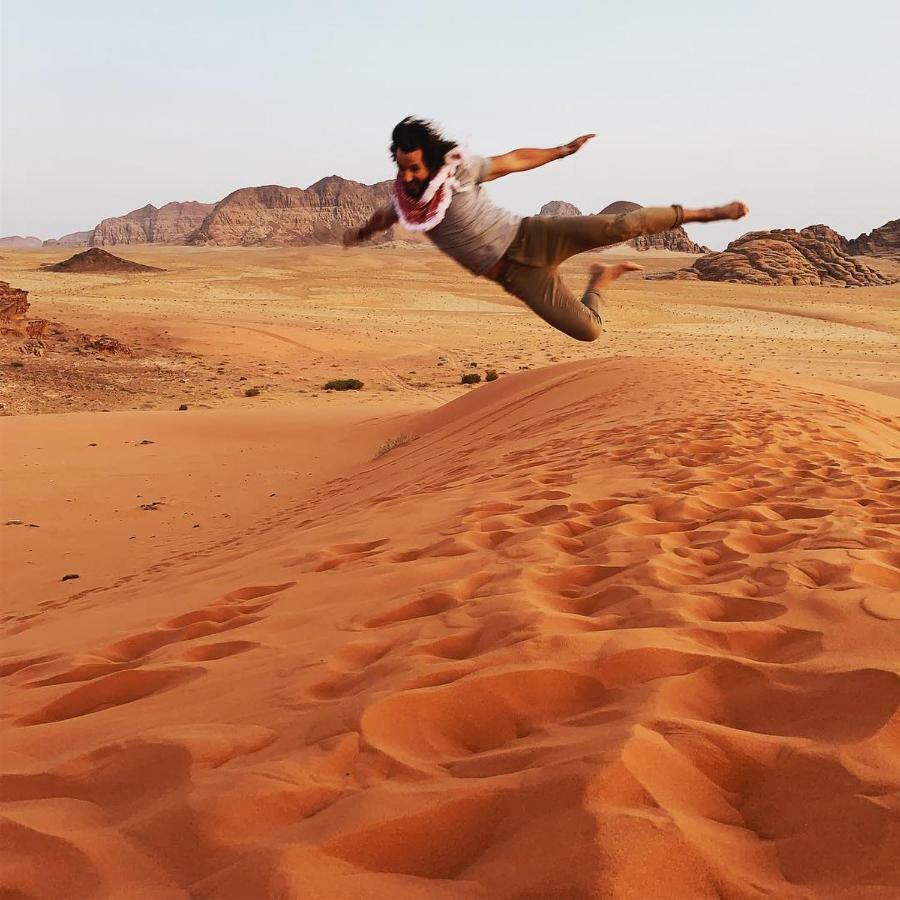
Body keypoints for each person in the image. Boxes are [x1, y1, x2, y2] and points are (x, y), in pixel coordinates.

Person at [343, 117, 748, 342]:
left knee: (625, 224)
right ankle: (602, 280)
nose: (409, 175)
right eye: (402, 167)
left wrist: (562, 151)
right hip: (518, 276)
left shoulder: (461, 171)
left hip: (532, 235)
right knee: (589, 331)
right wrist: (362, 233)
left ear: (431, 158)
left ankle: (707, 212)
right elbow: (385, 216)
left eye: (414, 166)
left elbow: (513, 159)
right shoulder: (406, 204)